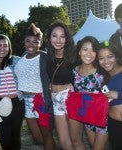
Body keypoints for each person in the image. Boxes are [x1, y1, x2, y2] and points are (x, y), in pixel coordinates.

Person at [14, 23, 55, 150]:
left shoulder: (44, 57)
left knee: (47, 136)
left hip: (41, 100)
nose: (31, 45)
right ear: (24, 42)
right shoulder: (21, 58)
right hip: (26, 101)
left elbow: (55, 73)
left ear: (40, 43)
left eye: (35, 42)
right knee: (37, 138)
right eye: (28, 41)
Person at [68, 36, 108, 150]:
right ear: (79, 51)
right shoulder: (74, 71)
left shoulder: (102, 71)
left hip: (103, 119)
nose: (89, 53)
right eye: (85, 49)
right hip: (88, 118)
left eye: (93, 50)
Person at [0, 34, 25, 150]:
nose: (2, 48)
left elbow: (31, 62)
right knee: (4, 139)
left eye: (5, 46)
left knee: (16, 138)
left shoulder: (16, 61)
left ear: (9, 47)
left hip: (17, 104)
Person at [46, 21, 75, 150]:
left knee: (76, 140)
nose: (58, 40)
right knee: (64, 142)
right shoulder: (48, 57)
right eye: (54, 35)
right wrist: (50, 84)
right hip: (55, 100)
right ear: (49, 37)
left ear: (67, 38)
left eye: (62, 36)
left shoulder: (74, 56)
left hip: (70, 99)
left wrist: (74, 85)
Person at [98, 41, 122, 149]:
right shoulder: (102, 79)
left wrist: (119, 95)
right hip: (114, 126)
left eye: (110, 56)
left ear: (116, 56)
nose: (106, 61)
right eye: (101, 58)